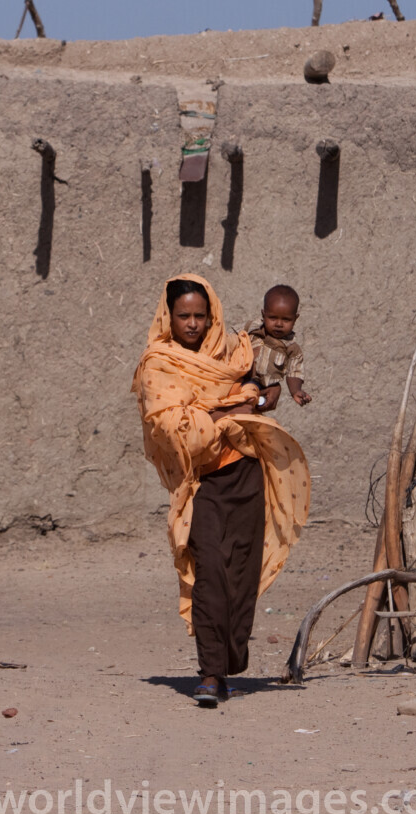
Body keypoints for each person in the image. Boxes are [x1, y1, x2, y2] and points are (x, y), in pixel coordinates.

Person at [132, 275, 310, 707]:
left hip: (246, 471)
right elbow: (175, 427)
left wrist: (247, 401)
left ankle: (228, 662)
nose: (192, 324)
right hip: (201, 482)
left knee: (240, 573)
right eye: (183, 316)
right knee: (210, 570)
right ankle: (211, 673)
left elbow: (262, 391)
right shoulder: (158, 364)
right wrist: (230, 406)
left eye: (200, 315)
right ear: (168, 317)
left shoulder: (234, 350)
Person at [247, 284, 311, 412]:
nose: (279, 324)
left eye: (286, 320)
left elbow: (294, 372)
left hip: (262, 388)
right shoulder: (251, 330)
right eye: (273, 318)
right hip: (237, 378)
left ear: (295, 319)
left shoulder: (292, 349)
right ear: (263, 314)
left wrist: (296, 391)